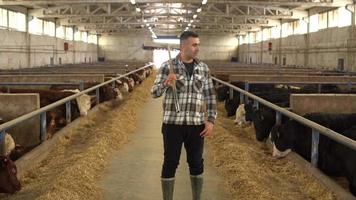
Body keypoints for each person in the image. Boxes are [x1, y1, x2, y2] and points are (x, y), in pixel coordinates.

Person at [151, 31, 217, 200]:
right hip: (173, 124)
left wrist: (210, 120)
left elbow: (210, 96)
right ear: (182, 46)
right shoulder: (167, 66)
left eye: (198, 45)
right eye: (194, 45)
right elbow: (154, 93)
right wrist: (166, 82)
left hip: (196, 125)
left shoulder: (203, 68)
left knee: (196, 164)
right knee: (170, 163)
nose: (197, 48)